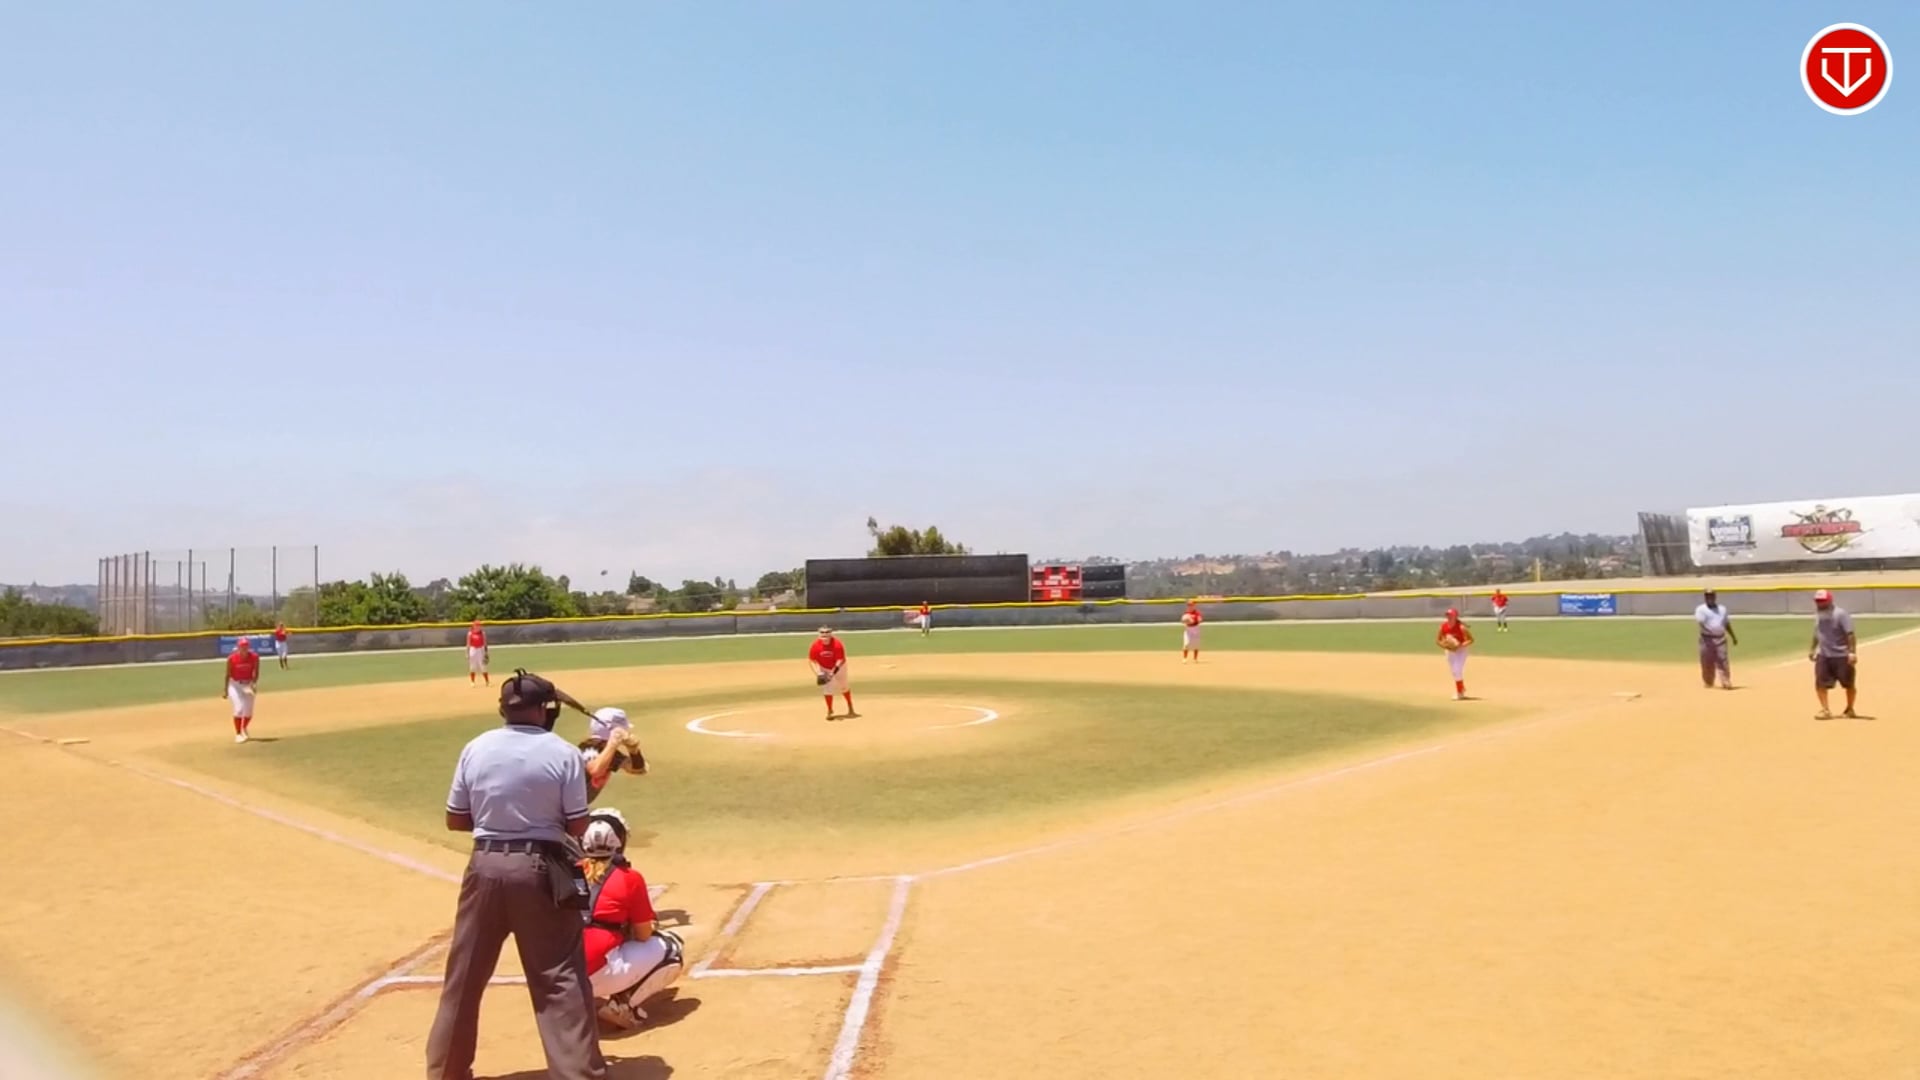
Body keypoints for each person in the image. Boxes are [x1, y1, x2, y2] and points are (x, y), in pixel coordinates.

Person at [428, 669, 606, 1080]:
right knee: (559, 978)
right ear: (545, 710)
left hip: (484, 867)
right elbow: (578, 825)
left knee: (464, 977)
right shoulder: (562, 752)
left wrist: (502, 819)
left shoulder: (475, 747)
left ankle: (446, 1073)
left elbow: (456, 819)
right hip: (542, 868)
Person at [578, 808, 684, 1031]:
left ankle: (570, 1007)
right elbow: (644, 934)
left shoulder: (565, 871)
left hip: (557, 975)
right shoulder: (629, 878)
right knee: (672, 949)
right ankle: (622, 1005)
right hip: (597, 972)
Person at [579, 707, 648, 805]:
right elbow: (594, 770)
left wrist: (633, 750)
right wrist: (613, 742)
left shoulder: (609, 752)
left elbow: (639, 769)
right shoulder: (590, 750)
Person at [1808, 589, 1859, 719]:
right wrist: (1812, 649)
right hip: (1824, 655)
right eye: (1818, 601)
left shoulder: (1841, 614)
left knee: (1849, 684)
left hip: (1842, 655)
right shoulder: (1818, 615)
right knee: (1820, 683)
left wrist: (1852, 652)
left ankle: (1850, 709)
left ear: (1829, 600)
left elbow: (1850, 634)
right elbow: (1817, 633)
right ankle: (1825, 710)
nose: (1819, 603)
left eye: (1822, 601)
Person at [1694, 588, 1737, 689]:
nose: (1709, 598)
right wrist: (1710, 631)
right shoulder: (1701, 609)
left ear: (1715, 597)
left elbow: (1726, 624)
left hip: (1720, 638)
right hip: (1706, 639)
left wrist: (1733, 636)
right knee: (1707, 661)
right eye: (1707, 596)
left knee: (1723, 660)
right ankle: (1708, 682)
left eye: (1711, 595)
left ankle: (1725, 681)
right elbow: (1701, 623)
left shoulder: (1722, 609)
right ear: (1705, 597)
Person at [222, 636, 261, 743]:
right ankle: (238, 734)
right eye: (242, 646)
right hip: (235, 685)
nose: (244, 648)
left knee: (248, 712)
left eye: (246, 646)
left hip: (248, 684)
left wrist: (253, 684)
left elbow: (256, 672)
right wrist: (225, 690)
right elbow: (227, 675)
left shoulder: (254, 657)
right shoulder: (231, 658)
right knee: (239, 709)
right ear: (238, 647)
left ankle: (244, 728)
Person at [809, 627, 854, 720]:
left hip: (839, 667)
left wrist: (832, 673)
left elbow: (839, 660)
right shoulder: (815, 645)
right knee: (827, 689)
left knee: (843, 686)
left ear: (831, 634)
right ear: (819, 634)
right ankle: (830, 710)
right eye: (822, 632)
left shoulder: (837, 644)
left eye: (827, 632)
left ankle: (850, 706)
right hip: (824, 667)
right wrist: (818, 673)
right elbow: (812, 660)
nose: (824, 634)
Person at [1437, 608, 1475, 701]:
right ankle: (1461, 688)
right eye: (1447, 615)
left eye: (1451, 615)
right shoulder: (1443, 626)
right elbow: (1438, 640)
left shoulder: (1461, 627)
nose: (1448, 617)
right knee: (1454, 672)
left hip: (1461, 651)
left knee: (1457, 670)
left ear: (1455, 617)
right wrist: (1445, 646)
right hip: (1449, 651)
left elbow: (1471, 640)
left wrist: (1460, 646)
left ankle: (1459, 692)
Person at [467, 620, 490, 686]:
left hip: (481, 649)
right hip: (473, 649)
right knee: (472, 666)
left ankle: (487, 681)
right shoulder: (470, 633)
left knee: (483, 666)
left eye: (479, 625)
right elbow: (468, 644)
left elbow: (485, 643)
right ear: (473, 626)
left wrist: (486, 652)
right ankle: (472, 682)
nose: (478, 626)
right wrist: (467, 653)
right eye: (476, 625)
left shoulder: (482, 633)